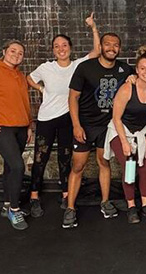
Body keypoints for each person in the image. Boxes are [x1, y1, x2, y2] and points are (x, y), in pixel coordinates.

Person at [27, 13, 101, 217]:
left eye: (64, 45)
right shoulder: (46, 68)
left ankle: (66, 193)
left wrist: (93, 27)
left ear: (70, 48)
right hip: (46, 119)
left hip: (68, 118)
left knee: (65, 158)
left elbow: (97, 51)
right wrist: (41, 89)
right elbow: (29, 78)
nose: (61, 49)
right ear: (53, 50)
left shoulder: (78, 65)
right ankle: (34, 196)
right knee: (40, 157)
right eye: (57, 46)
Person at [62, 31, 133, 228]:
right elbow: (73, 97)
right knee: (78, 166)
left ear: (119, 48)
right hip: (85, 125)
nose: (112, 48)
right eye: (107, 44)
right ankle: (70, 208)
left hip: (107, 126)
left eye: (115, 45)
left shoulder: (125, 69)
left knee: (104, 162)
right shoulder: (85, 68)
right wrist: (76, 125)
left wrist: (133, 80)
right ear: (100, 47)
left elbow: (140, 82)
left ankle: (105, 202)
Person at [104, 47, 146, 224]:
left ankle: (145, 205)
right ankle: (131, 206)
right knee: (129, 165)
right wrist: (124, 142)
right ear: (137, 70)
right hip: (120, 130)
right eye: (142, 68)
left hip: (141, 131)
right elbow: (116, 117)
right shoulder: (127, 89)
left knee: (144, 167)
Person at [0, 41, 33, 230]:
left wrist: (29, 125)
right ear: (4, 51)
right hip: (3, 127)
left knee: (10, 167)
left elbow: (24, 102)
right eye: (13, 51)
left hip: (21, 127)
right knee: (18, 166)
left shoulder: (20, 76)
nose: (16, 55)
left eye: (20, 53)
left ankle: (6, 204)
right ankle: (14, 209)